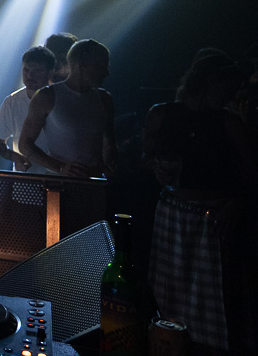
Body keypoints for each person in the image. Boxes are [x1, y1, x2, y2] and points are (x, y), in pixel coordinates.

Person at [143, 50, 254, 353]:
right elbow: (146, 156)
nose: (231, 95)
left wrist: (236, 203)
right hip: (172, 213)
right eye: (227, 87)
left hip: (214, 217)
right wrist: (155, 167)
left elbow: (251, 173)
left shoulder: (230, 123)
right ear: (210, 82)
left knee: (213, 296)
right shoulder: (162, 114)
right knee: (168, 292)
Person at [18, 38, 118, 177]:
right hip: (59, 183)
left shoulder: (105, 99)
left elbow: (110, 144)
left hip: (94, 184)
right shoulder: (47, 96)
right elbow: (24, 144)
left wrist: (108, 167)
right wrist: (60, 168)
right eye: (100, 66)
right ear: (82, 65)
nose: (106, 72)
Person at [0, 45, 56, 172]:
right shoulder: (12, 102)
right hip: (26, 176)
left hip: (58, 176)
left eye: (37, 71)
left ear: (50, 72)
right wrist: (15, 157)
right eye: (26, 70)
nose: (30, 75)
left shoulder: (61, 98)